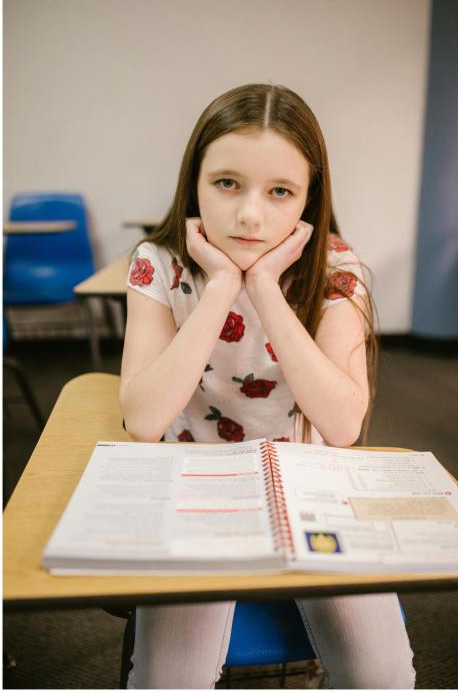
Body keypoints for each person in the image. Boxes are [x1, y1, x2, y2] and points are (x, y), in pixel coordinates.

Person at [119, 83, 416, 689]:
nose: (250, 215)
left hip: (310, 485)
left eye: (280, 192)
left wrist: (266, 292)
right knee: (166, 680)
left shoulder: (338, 269)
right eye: (227, 183)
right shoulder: (159, 262)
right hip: (193, 483)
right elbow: (143, 421)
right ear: (194, 183)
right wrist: (222, 285)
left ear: (309, 199)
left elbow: (341, 426)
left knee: (382, 674)